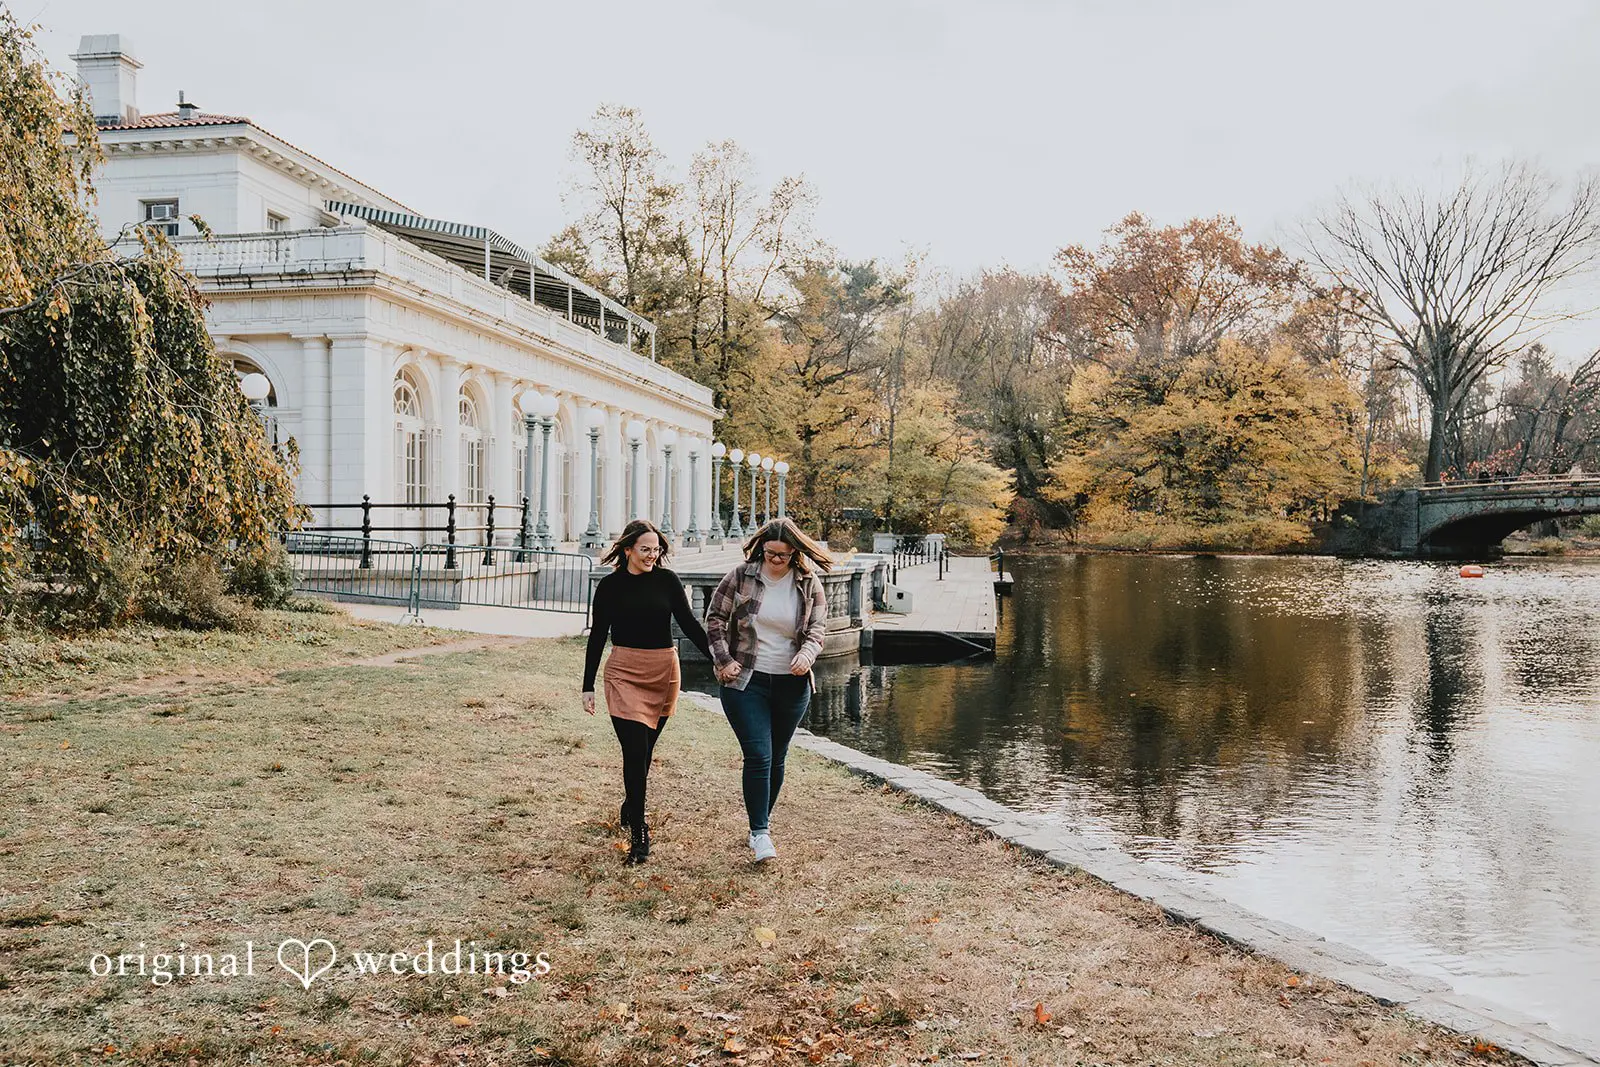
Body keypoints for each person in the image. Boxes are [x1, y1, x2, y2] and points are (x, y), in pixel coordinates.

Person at [583, 519, 711, 865]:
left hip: (664, 671)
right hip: (624, 671)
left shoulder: (668, 581)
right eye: (645, 549)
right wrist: (587, 685)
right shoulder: (609, 587)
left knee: (646, 749)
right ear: (627, 550)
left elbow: (689, 624)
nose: (652, 555)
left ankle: (630, 802)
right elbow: (597, 636)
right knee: (634, 748)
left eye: (656, 550)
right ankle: (639, 830)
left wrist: (716, 659)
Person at [705, 518, 833, 863]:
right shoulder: (741, 575)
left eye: (784, 556)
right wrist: (724, 659)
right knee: (759, 755)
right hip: (746, 681)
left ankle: (760, 823)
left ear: (795, 554)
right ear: (761, 547)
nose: (776, 561)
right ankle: (760, 833)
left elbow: (818, 629)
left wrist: (806, 655)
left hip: (792, 684)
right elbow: (715, 618)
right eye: (770, 553)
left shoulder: (808, 582)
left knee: (777, 757)